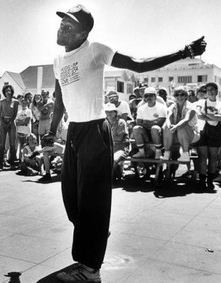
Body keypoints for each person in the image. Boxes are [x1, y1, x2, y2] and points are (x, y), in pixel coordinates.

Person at [47, 4, 206, 282]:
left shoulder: (95, 49)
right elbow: (59, 101)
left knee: (92, 203)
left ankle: (90, 270)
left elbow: (139, 64)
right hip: (73, 132)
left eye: (69, 26)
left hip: (95, 131)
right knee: (72, 200)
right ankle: (95, 236)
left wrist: (184, 53)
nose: (62, 28)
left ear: (83, 33)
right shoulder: (58, 60)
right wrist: (51, 131)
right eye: (62, 23)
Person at [161, 87, 198, 162]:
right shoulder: (172, 106)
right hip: (177, 134)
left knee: (182, 127)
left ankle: (185, 154)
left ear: (186, 96)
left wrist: (176, 127)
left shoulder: (191, 106)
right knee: (166, 126)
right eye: (177, 95)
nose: (179, 97)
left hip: (192, 134)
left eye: (182, 94)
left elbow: (186, 119)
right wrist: (169, 125)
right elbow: (168, 117)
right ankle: (167, 153)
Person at [195, 82, 220, 190]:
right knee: (202, 157)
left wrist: (208, 114)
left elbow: (220, 118)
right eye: (208, 90)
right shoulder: (201, 102)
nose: (210, 91)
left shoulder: (219, 104)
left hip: (216, 133)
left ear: (217, 91)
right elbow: (199, 116)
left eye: (212, 89)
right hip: (203, 132)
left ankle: (210, 181)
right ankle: (202, 180)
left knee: (213, 158)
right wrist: (214, 116)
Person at [132, 87, 168, 159]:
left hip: (158, 133)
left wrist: (146, 122)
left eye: (151, 95)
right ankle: (141, 152)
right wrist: (153, 122)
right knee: (136, 128)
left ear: (155, 96)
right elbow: (138, 122)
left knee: (154, 128)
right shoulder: (141, 108)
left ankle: (158, 152)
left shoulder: (162, 107)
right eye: (146, 96)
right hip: (146, 132)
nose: (148, 98)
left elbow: (161, 122)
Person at [104, 103, 129, 180]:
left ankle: (108, 180)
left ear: (115, 112)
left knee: (114, 159)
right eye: (107, 112)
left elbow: (119, 138)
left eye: (111, 111)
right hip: (108, 148)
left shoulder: (121, 122)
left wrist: (106, 137)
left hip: (121, 148)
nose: (109, 113)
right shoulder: (104, 123)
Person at [0, 84, 19, 170]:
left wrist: (10, 122)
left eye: (9, 90)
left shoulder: (15, 101)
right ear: (4, 92)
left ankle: (12, 162)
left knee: (12, 143)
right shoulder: (1, 102)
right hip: (3, 123)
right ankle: (1, 161)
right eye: (6, 91)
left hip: (11, 123)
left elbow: (15, 114)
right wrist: (3, 122)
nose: (8, 92)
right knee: (2, 144)